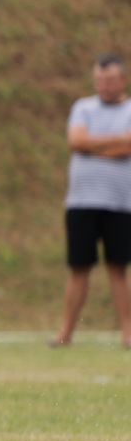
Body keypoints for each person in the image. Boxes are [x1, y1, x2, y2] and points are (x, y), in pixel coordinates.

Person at [56, 54, 131, 348]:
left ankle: (128, 333)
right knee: (78, 267)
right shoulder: (83, 107)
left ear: (123, 80)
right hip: (81, 202)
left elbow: (129, 146)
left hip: (120, 203)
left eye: (110, 80)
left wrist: (93, 146)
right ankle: (65, 333)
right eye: (99, 79)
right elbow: (76, 143)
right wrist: (116, 143)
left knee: (118, 268)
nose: (104, 85)